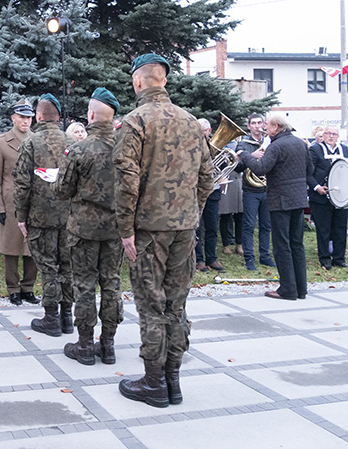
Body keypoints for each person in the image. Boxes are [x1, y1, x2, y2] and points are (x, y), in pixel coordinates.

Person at [113, 53, 214, 409]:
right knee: (177, 302)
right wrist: (192, 212)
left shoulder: (135, 120)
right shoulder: (190, 121)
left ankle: (154, 382)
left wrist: (125, 229)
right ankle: (173, 379)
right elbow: (207, 177)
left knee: (151, 303)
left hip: (148, 229)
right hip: (184, 228)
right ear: (165, 81)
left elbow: (126, 181)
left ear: (138, 81)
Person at [51, 88, 123, 365]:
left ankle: (84, 345)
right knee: (111, 284)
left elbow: (61, 190)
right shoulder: (124, 149)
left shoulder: (78, 150)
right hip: (116, 230)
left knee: (84, 285)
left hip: (83, 231)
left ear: (91, 115)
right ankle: (108, 345)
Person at [14, 93, 74, 337]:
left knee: (48, 267)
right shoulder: (72, 141)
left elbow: (21, 184)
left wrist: (21, 216)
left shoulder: (30, 143)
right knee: (67, 267)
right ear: (58, 117)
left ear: (38, 116)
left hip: (40, 218)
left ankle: (51, 318)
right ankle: (68, 316)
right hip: (69, 218)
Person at [238, 113, 313, 300]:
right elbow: (310, 170)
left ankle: (287, 289)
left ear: (277, 127)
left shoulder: (276, 145)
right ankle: (300, 289)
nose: (265, 128)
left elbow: (261, 168)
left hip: (280, 200)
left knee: (281, 246)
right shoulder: (300, 143)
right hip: (298, 199)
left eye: (268, 126)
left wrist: (244, 154)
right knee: (297, 244)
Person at [0, 100, 39, 305]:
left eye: (29, 117)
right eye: (22, 117)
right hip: (11, 203)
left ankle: (28, 287)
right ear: (13, 118)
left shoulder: (38, 139)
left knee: (32, 246)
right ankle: (13, 288)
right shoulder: (1, 142)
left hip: (35, 201)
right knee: (11, 246)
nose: (26, 121)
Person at [307, 125, 348, 270]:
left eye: (334, 134)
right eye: (328, 133)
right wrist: (317, 187)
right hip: (321, 196)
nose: (331, 136)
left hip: (340, 197)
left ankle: (339, 259)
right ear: (324, 134)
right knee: (323, 229)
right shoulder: (315, 149)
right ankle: (325, 259)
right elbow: (307, 172)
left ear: (338, 136)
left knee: (340, 228)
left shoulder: (344, 149)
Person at [235, 113, 274, 270]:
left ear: (264, 125)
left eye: (260, 123)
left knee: (266, 225)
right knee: (249, 225)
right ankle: (249, 258)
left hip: (268, 189)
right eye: (254, 123)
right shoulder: (243, 144)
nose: (257, 126)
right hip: (251, 190)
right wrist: (251, 156)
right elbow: (237, 168)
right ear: (249, 126)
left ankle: (265, 257)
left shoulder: (270, 142)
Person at [194, 118, 224, 272]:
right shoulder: (192, 146)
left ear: (209, 131)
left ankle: (211, 258)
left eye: (202, 130)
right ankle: (199, 259)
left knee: (212, 227)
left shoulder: (217, 147)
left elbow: (225, 165)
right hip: (197, 192)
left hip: (213, 191)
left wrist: (222, 176)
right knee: (197, 228)